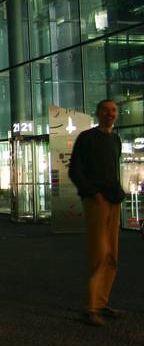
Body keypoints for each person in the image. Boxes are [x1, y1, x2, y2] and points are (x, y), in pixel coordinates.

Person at [68, 99, 127, 326]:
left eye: (113, 110)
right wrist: (93, 193)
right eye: (106, 110)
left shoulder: (115, 139)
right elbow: (75, 170)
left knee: (112, 254)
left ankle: (102, 302)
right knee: (99, 253)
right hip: (97, 200)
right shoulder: (87, 138)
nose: (110, 114)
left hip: (113, 199)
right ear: (98, 113)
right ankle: (91, 307)